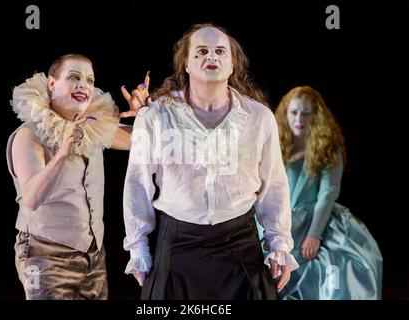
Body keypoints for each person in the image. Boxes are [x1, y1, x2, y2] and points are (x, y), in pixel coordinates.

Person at [122, 24, 299, 300]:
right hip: (177, 245)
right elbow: (137, 185)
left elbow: (274, 186)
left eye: (220, 51)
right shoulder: (155, 117)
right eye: (201, 51)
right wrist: (138, 248)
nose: (211, 57)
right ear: (187, 65)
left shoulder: (259, 118)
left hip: (240, 245)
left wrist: (279, 243)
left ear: (231, 65)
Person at [6, 53, 149, 299]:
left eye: (90, 80)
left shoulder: (92, 127)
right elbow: (31, 198)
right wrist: (62, 154)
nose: (84, 85)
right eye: (74, 77)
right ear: (52, 83)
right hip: (45, 254)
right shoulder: (29, 135)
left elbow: (145, 142)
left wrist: (146, 114)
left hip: (92, 255)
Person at [270, 85, 382, 299]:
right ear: (286, 114)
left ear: (315, 116)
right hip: (281, 219)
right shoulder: (277, 144)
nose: (299, 119)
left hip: (316, 219)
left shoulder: (328, 148)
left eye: (305, 113)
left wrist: (314, 235)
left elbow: (327, 194)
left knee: (347, 263)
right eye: (294, 112)